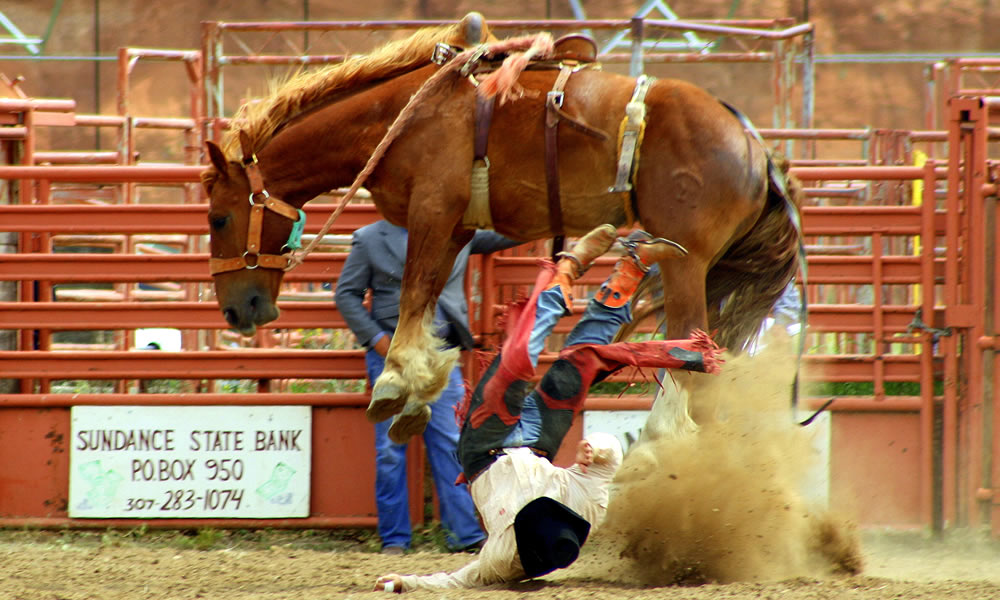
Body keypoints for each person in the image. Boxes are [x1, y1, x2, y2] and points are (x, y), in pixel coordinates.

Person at [373, 224, 723, 592]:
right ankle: (633, 267)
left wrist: (406, 582)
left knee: (518, 356)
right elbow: (608, 465)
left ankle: (569, 265)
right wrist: (598, 449)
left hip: (483, 447)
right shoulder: (584, 509)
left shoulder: (499, 559)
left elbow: (454, 579)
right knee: (584, 361)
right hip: (539, 442)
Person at [335, 219, 519, 555]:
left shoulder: (456, 228)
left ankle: (464, 534)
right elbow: (346, 294)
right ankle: (395, 539)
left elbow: (509, 230)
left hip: (441, 353)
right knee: (391, 450)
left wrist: (548, 212)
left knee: (450, 443)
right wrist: (380, 342)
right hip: (392, 358)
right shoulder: (369, 237)